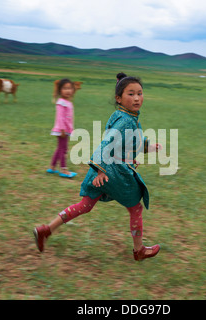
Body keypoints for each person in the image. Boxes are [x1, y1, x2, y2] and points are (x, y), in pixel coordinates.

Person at [34, 72, 162, 261]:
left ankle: (46, 230)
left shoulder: (124, 115)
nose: (136, 98)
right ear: (118, 98)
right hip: (115, 173)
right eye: (130, 94)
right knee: (136, 208)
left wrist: (147, 146)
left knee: (85, 205)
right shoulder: (126, 120)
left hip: (103, 171)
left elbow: (129, 141)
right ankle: (139, 250)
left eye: (139, 93)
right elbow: (106, 143)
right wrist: (101, 169)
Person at [47, 78, 77, 178]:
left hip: (66, 130)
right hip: (62, 130)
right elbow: (60, 118)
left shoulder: (68, 102)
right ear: (60, 90)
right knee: (63, 150)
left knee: (60, 148)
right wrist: (62, 130)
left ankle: (52, 167)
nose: (68, 90)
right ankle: (63, 170)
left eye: (70, 88)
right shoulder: (61, 102)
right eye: (65, 88)